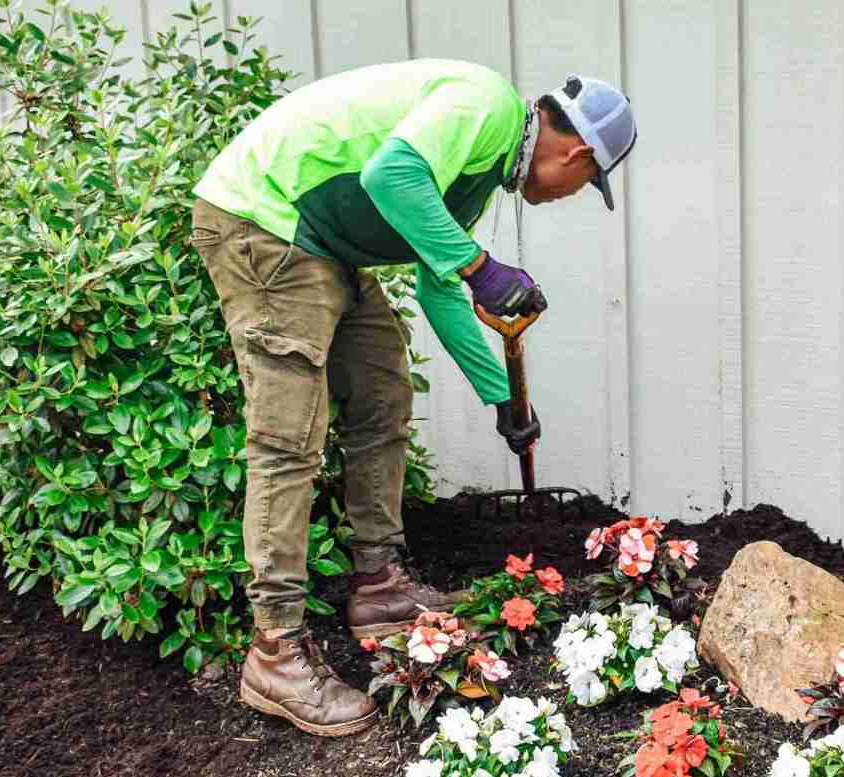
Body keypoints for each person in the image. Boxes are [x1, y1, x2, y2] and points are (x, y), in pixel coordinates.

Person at [191, 59, 637, 736]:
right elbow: (390, 176)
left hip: (321, 243)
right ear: (577, 155)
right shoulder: (485, 105)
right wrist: (482, 268)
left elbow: (439, 284)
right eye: (586, 184)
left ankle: (379, 586)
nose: (572, 193)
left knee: (381, 396)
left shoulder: (479, 176)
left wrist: (502, 400)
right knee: (288, 440)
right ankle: (275, 649)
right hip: (264, 220)